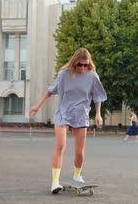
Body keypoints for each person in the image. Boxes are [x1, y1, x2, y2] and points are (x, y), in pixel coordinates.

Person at [29, 48, 107, 194]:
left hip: (81, 115)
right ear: (74, 62)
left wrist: (98, 114)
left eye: (85, 65)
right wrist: (37, 107)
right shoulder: (65, 74)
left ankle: (77, 175)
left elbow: (97, 96)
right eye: (79, 65)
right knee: (60, 146)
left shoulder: (92, 77)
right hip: (63, 114)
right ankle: (55, 182)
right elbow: (50, 91)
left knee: (80, 153)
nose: (82, 68)